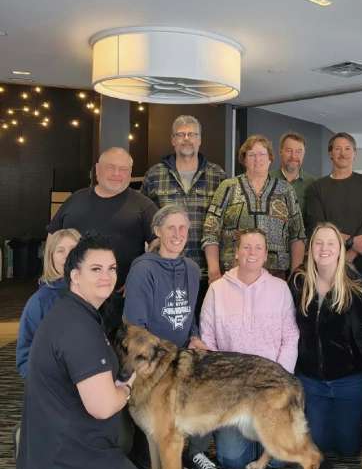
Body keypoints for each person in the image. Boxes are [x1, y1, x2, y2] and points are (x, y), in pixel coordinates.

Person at [16, 234, 168, 469]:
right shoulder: (78, 329)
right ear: (74, 276)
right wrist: (126, 387)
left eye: (111, 268)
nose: (107, 276)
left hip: (53, 445)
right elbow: (103, 406)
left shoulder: (71, 313)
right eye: (96, 269)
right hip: (74, 455)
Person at [123, 204, 224, 469]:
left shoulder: (192, 269)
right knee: (150, 456)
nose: (178, 234)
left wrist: (194, 337)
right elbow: (135, 329)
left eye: (183, 228)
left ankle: (196, 454)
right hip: (150, 360)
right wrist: (168, 363)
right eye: (171, 228)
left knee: (209, 378)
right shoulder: (143, 270)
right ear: (157, 231)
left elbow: (189, 315)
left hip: (180, 356)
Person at [200, 228, 299, 469]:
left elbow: (290, 336)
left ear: (266, 255)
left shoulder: (280, 289)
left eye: (258, 248)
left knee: (278, 461)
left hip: (271, 388)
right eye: (246, 247)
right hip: (232, 390)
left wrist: (278, 380)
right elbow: (207, 339)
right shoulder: (217, 289)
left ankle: (265, 439)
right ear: (236, 253)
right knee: (232, 460)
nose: (251, 253)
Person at [289, 222, 362, 456]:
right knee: (318, 447)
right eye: (319, 243)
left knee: (350, 449)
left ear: (341, 249)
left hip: (349, 382)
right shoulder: (298, 282)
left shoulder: (357, 285)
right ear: (310, 248)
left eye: (331, 243)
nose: (324, 249)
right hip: (311, 381)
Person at [47, 147, 158, 339]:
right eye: (111, 167)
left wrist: (137, 279)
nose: (117, 174)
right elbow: (52, 239)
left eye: (123, 169)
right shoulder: (75, 200)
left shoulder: (144, 205)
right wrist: (50, 276)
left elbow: (159, 245)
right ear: (97, 170)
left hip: (119, 301)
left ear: (130, 173)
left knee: (113, 355)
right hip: (71, 296)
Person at [140, 115, 226, 310]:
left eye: (192, 134)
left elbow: (225, 223)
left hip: (207, 272)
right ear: (173, 140)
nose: (186, 139)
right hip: (165, 269)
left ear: (200, 140)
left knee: (203, 329)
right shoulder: (154, 175)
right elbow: (145, 221)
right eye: (181, 134)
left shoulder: (218, 176)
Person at [203, 134, 305, 280]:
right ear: (244, 159)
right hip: (234, 273)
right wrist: (213, 271)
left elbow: (298, 235)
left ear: (270, 158)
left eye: (262, 154)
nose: (258, 159)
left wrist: (295, 276)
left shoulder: (285, 190)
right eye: (251, 155)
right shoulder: (228, 187)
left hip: (276, 275)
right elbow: (210, 231)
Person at [306, 132, 362, 280]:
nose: (343, 153)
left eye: (347, 149)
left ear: (355, 154)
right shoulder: (316, 188)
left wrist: (351, 253)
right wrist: (351, 241)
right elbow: (318, 226)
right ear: (330, 154)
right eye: (337, 149)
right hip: (329, 263)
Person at [16, 228, 80, 378]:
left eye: (73, 249)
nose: (67, 256)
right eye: (60, 251)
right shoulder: (40, 301)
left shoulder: (95, 297)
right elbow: (24, 357)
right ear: (50, 257)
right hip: (53, 388)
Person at [270, 131, 317, 218]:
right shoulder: (267, 179)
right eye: (289, 151)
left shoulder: (313, 184)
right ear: (280, 152)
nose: (293, 156)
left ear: (304, 154)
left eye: (298, 151)